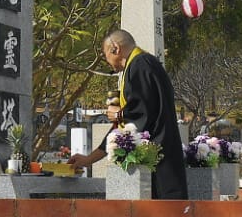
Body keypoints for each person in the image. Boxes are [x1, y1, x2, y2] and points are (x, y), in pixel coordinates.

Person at [68, 29, 188, 199]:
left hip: (157, 161)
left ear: (115, 48)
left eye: (105, 55)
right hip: (158, 158)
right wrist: (88, 159)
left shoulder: (141, 64)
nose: (108, 63)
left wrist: (119, 115)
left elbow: (140, 115)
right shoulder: (142, 64)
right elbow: (126, 125)